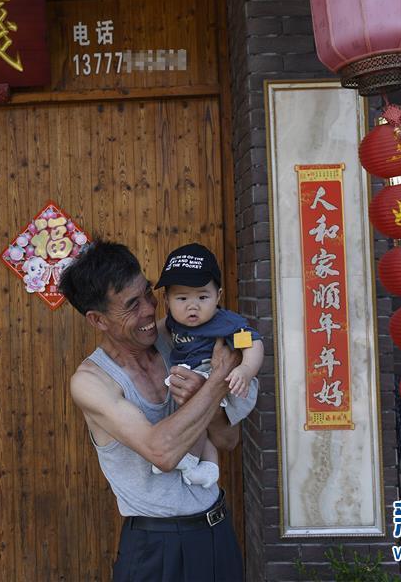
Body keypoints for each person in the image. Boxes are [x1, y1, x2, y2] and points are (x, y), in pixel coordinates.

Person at [59, 240, 264, 582]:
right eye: (131, 305)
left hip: (217, 530)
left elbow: (228, 439)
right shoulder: (93, 382)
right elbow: (162, 453)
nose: (149, 310)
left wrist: (212, 391)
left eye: (148, 294)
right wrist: (215, 383)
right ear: (98, 320)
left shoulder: (179, 341)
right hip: (158, 545)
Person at [151, 243, 263, 489]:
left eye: (203, 297)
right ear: (167, 300)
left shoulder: (226, 324)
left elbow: (253, 343)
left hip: (228, 384)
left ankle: (188, 459)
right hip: (195, 375)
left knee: (194, 409)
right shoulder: (172, 322)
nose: (193, 306)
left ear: (219, 296)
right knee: (191, 408)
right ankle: (209, 467)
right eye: (182, 298)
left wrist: (245, 370)